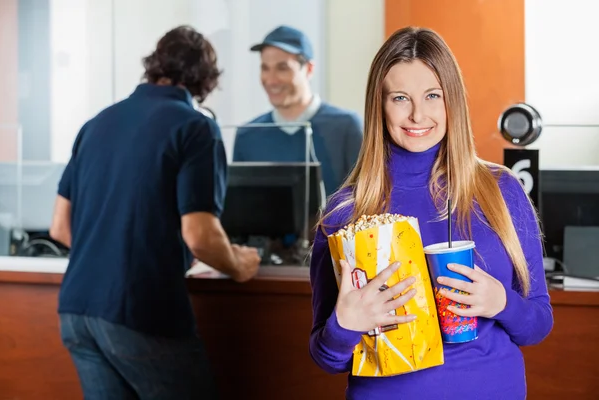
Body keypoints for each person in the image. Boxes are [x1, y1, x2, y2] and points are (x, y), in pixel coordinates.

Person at [308, 26, 553, 399]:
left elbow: (538, 323)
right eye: (401, 98)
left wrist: (501, 303)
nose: (418, 115)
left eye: (433, 95)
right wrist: (346, 325)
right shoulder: (346, 210)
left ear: (452, 100)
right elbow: (326, 358)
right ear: (379, 105)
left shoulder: (500, 190)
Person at [49, 26, 261, 399]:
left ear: (153, 67)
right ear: (206, 81)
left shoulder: (96, 123)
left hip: (77, 310)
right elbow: (200, 235)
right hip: (140, 309)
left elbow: (60, 228)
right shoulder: (196, 128)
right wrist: (240, 264)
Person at [233, 25, 363, 196]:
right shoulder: (247, 136)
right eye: (265, 68)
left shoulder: (346, 127)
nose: (271, 80)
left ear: (309, 69)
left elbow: (368, 203)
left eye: (282, 68)